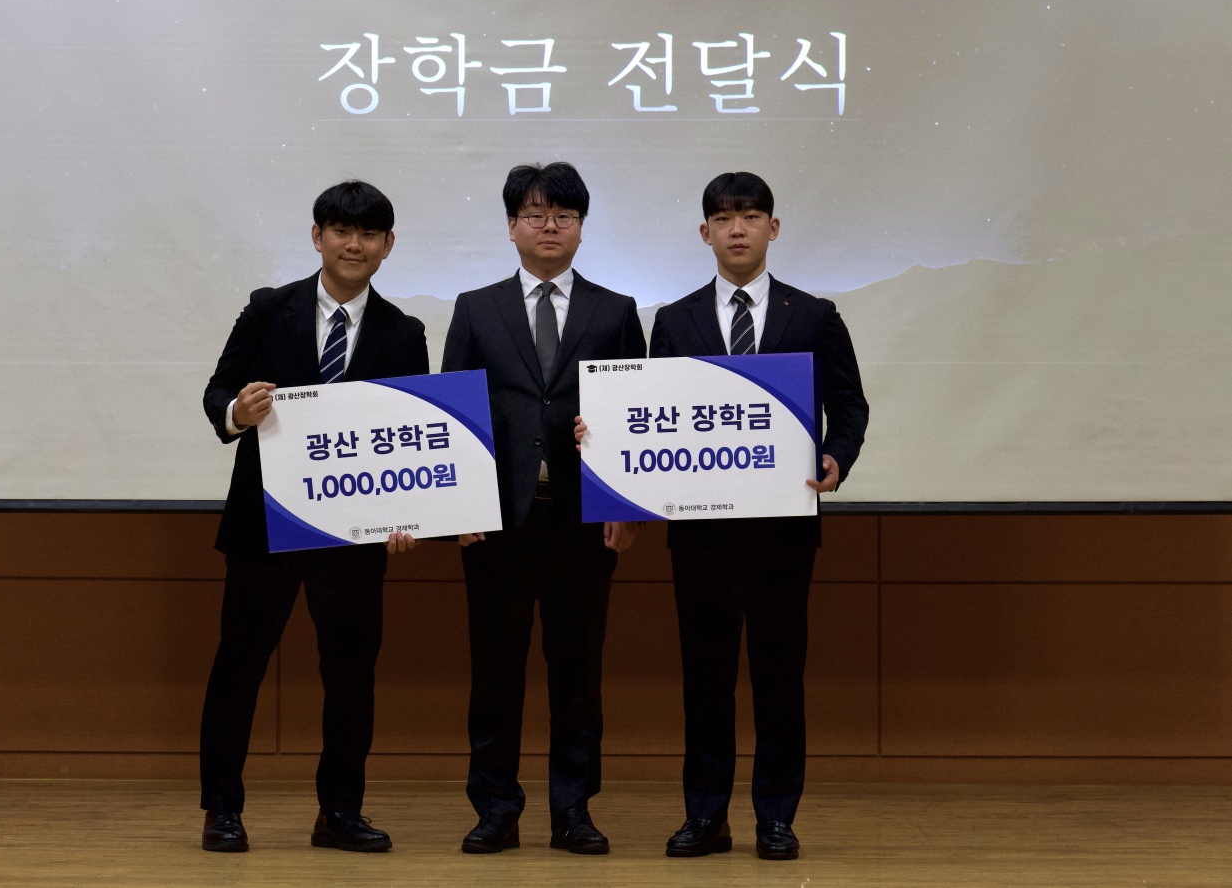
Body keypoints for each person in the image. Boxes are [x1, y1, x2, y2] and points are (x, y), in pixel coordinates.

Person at [584, 171, 867, 860]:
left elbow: (849, 405)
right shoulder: (674, 320)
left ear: (773, 228)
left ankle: (776, 817)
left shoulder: (814, 315)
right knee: (705, 678)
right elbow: (647, 413)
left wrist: (836, 456)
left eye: (751, 216)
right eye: (723, 218)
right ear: (704, 232)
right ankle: (705, 816)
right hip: (701, 534)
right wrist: (607, 452)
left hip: (784, 530)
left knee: (778, 677)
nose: (737, 228)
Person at [197, 181, 428, 853]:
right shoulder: (269, 310)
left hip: (354, 533)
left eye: (368, 234)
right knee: (239, 666)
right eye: (341, 231)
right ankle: (221, 809)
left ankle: (340, 813)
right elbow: (217, 390)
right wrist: (239, 411)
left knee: (351, 676)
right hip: (264, 524)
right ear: (317, 237)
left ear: (387, 245)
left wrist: (409, 514)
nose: (354, 244)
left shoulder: (403, 332)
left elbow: (411, 433)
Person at [441, 162, 646, 855]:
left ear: (581, 227)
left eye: (563, 215)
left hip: (582, 522)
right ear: (511, 227)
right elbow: (455, 412)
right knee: (494, 673)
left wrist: (627, 503)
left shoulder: (615, 310)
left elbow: (635, 412)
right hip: (496, 522)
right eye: (534, 214)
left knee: (577, 674)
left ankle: (573, 811)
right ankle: (495, 809)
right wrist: (459, 505)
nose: (549, 226)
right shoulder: (476, 307)